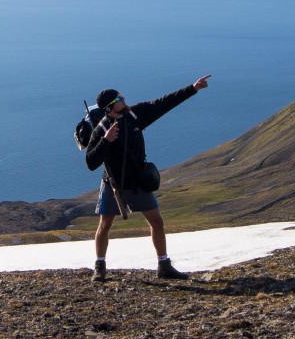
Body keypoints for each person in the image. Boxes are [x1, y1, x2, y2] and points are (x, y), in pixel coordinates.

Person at [85, 74, 212, 282]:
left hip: (138, 183)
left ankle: (164, 265)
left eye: (122, 97)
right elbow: (91, 162)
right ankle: (99, 267)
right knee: (105, 225)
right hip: (114, 185)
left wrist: (193, 88)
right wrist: (106, 141)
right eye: (119, 100)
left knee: (157, 222)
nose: (124, 100)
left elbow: (164, 103)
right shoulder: (101, 130)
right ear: (109, 107)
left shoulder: (135, 115)